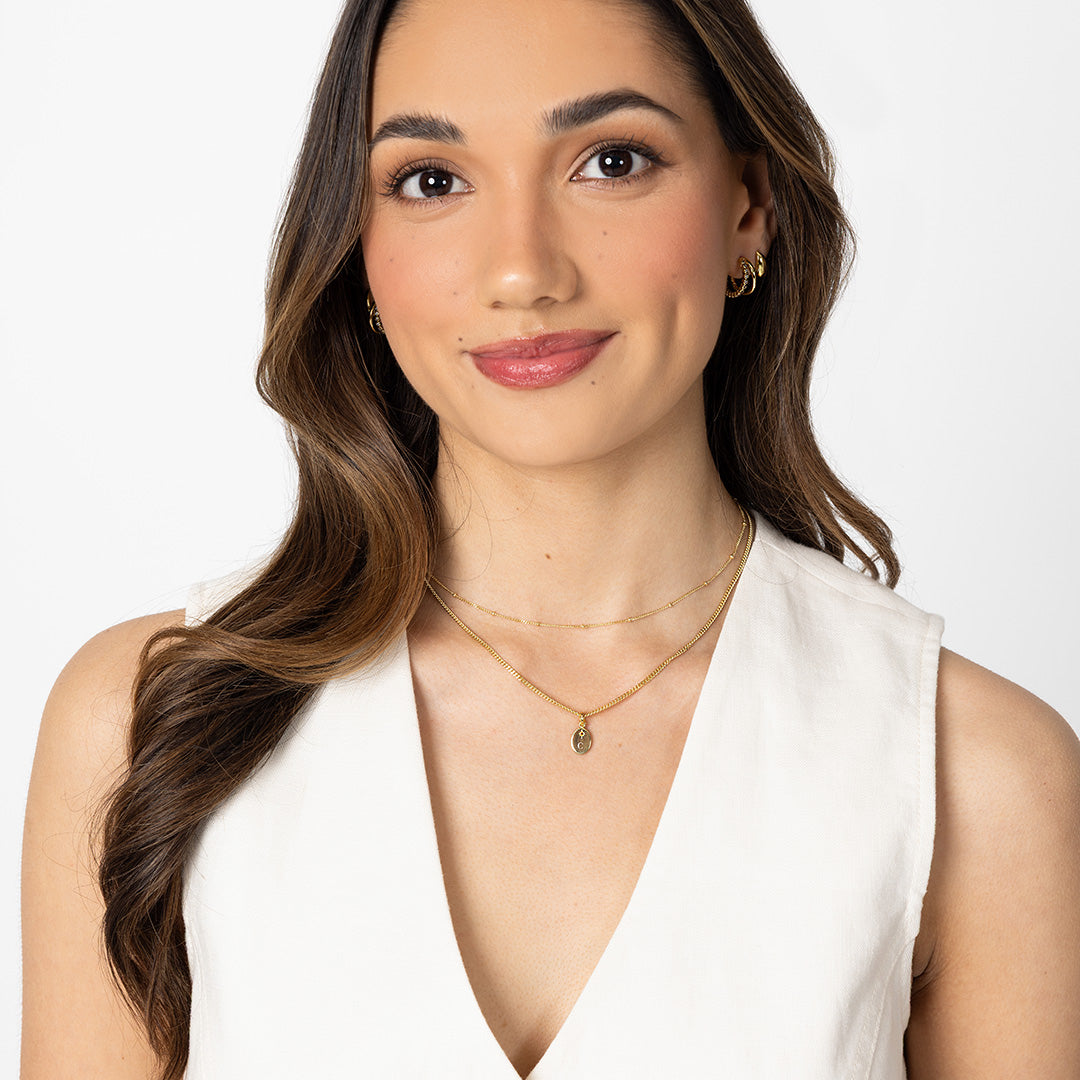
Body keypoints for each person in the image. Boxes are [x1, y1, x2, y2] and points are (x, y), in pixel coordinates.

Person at [20, 0, 1080, 1076]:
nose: (522, 270)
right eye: (432, 180)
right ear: (360, 239)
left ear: (749, 204)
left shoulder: (972, 775)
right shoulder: (153, 720)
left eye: (612, 160)